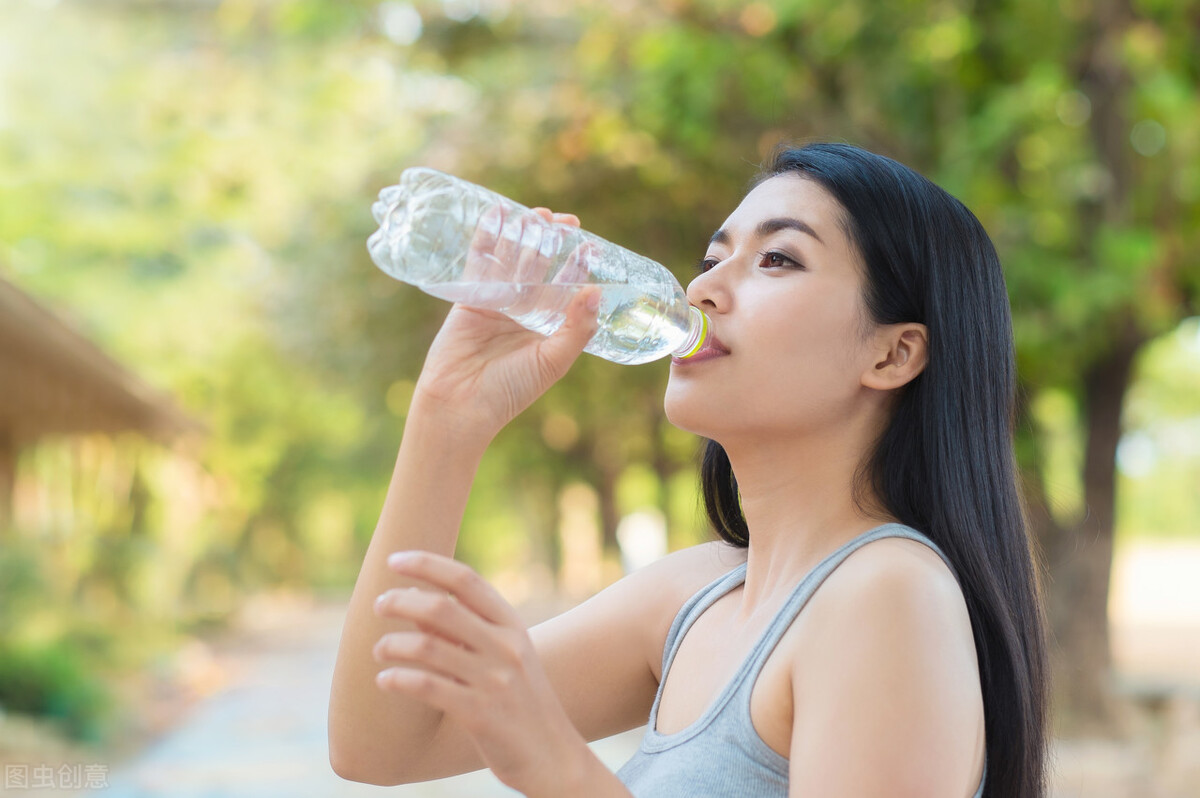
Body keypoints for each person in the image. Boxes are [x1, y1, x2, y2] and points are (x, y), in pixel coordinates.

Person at [328, 142, 1050, 797]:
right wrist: (447, 421)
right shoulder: (694, 596)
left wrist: (560, 770)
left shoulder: (889, 594)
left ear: (892, 355)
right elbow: (380, 744)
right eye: (712, 260)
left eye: (778, 259)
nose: (700, 291)